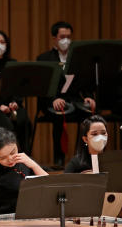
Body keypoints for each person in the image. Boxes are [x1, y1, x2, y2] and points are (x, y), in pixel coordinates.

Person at [37, 21, 96, 167]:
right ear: (54, 38)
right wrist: (53, 99)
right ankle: (59, 158)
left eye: (69, 37)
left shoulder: (78, 58)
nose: (66, 40)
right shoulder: (44, 58)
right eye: (62, 36)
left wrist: (89, 97)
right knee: (58, 114)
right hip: (52, 102)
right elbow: (42, 85)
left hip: (74, 100)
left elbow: (85, 80)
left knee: (89, 114)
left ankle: (83, 157)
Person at [0, 30, 31, 153]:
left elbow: (18, 87)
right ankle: (9, 156)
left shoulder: (12, 63)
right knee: (7, 126)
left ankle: (24, 156)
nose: (0, 45)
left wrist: (15, 102)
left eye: (3, 42)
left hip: (12, 105)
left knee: (25, 121)